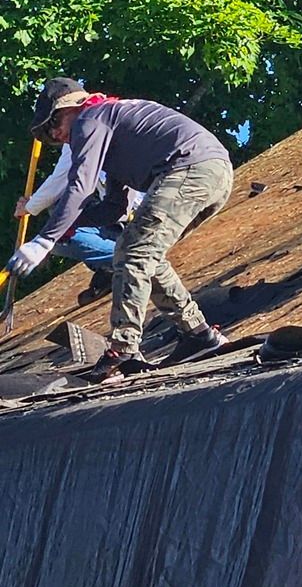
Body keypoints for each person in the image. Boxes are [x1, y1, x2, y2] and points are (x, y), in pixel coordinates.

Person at [7, 78, 234, 382]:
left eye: (54, 124)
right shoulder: (113, 128)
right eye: (48, 135)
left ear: (73, 107)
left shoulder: (92, 117)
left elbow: (81, 185)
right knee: (144, 253)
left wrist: (44, 239)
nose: (56, 136)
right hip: (211, 173)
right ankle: (198, 334)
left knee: (134, 252)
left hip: (190, 168)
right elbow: (114, 207)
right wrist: (67, 228)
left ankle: (122, 348)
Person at [14, 105, 137, 288]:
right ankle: (112, 266)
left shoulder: (86, 130)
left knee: (59, 234)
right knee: (66, 224)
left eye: (55, 125)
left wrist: (30, 207)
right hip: (120, 216)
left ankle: (129, 262)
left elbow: (60, 180)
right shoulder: (92, 125)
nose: (55, 135)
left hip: (141, 212)